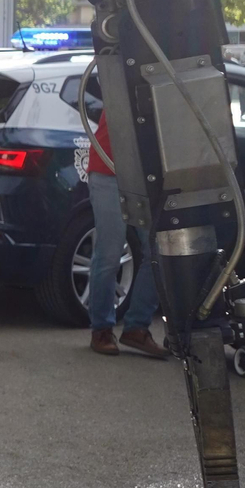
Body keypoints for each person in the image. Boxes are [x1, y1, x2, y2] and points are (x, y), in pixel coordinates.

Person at [85, 111, 166, 357]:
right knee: (110, 253)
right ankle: (102, 329)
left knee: (159, 251)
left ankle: (136, 328)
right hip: (109, 169)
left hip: (143, 174)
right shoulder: (120, 72)